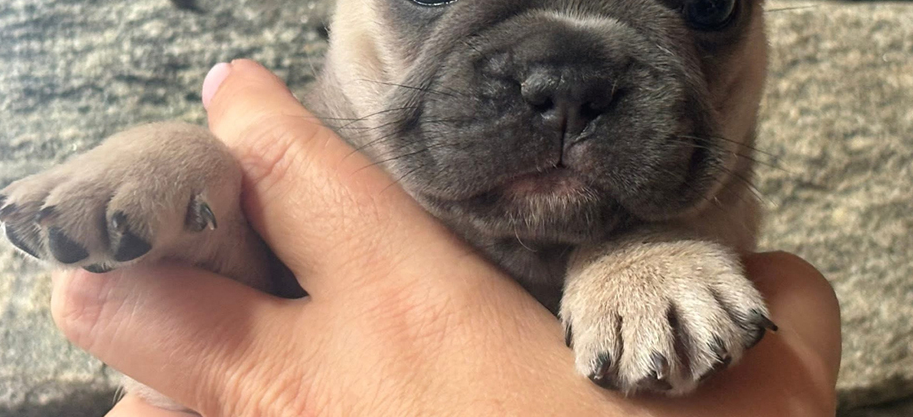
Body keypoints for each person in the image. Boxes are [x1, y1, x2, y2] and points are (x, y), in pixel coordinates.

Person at [51, 60, 841, 417]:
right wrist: (180, 166)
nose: (563, 92)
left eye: (704, 3)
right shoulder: (269, 188)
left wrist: (638, 252)